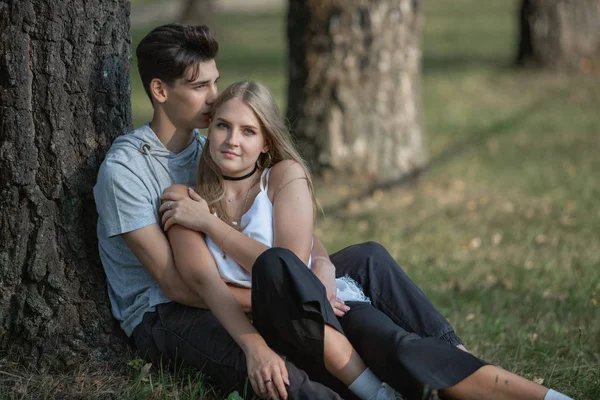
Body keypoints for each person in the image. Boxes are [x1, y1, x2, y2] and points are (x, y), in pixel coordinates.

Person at [93, 23, 505, 399]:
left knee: (369, 260)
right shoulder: (126, 170)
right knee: (280, 377)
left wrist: (321, 268)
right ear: (161, 91)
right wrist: (287, 301)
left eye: (216, 81)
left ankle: (465, 368)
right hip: (166, 314)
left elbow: (291, 230)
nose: (216, 98)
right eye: (201, 86)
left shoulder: (210, 147)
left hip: (247, 282)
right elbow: (177, 287)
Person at [159, 80, 573, 400]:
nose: (233, 139)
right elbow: (210, 285)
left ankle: (549, 396)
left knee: (400, 347)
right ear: (207, 130)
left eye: (248, 131)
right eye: (223, 126)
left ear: (265, 142)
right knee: (279, 269)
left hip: (325, 307)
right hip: (275, 328)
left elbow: (291, 259)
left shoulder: (283, 176)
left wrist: (214, 227)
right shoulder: (184, 201)